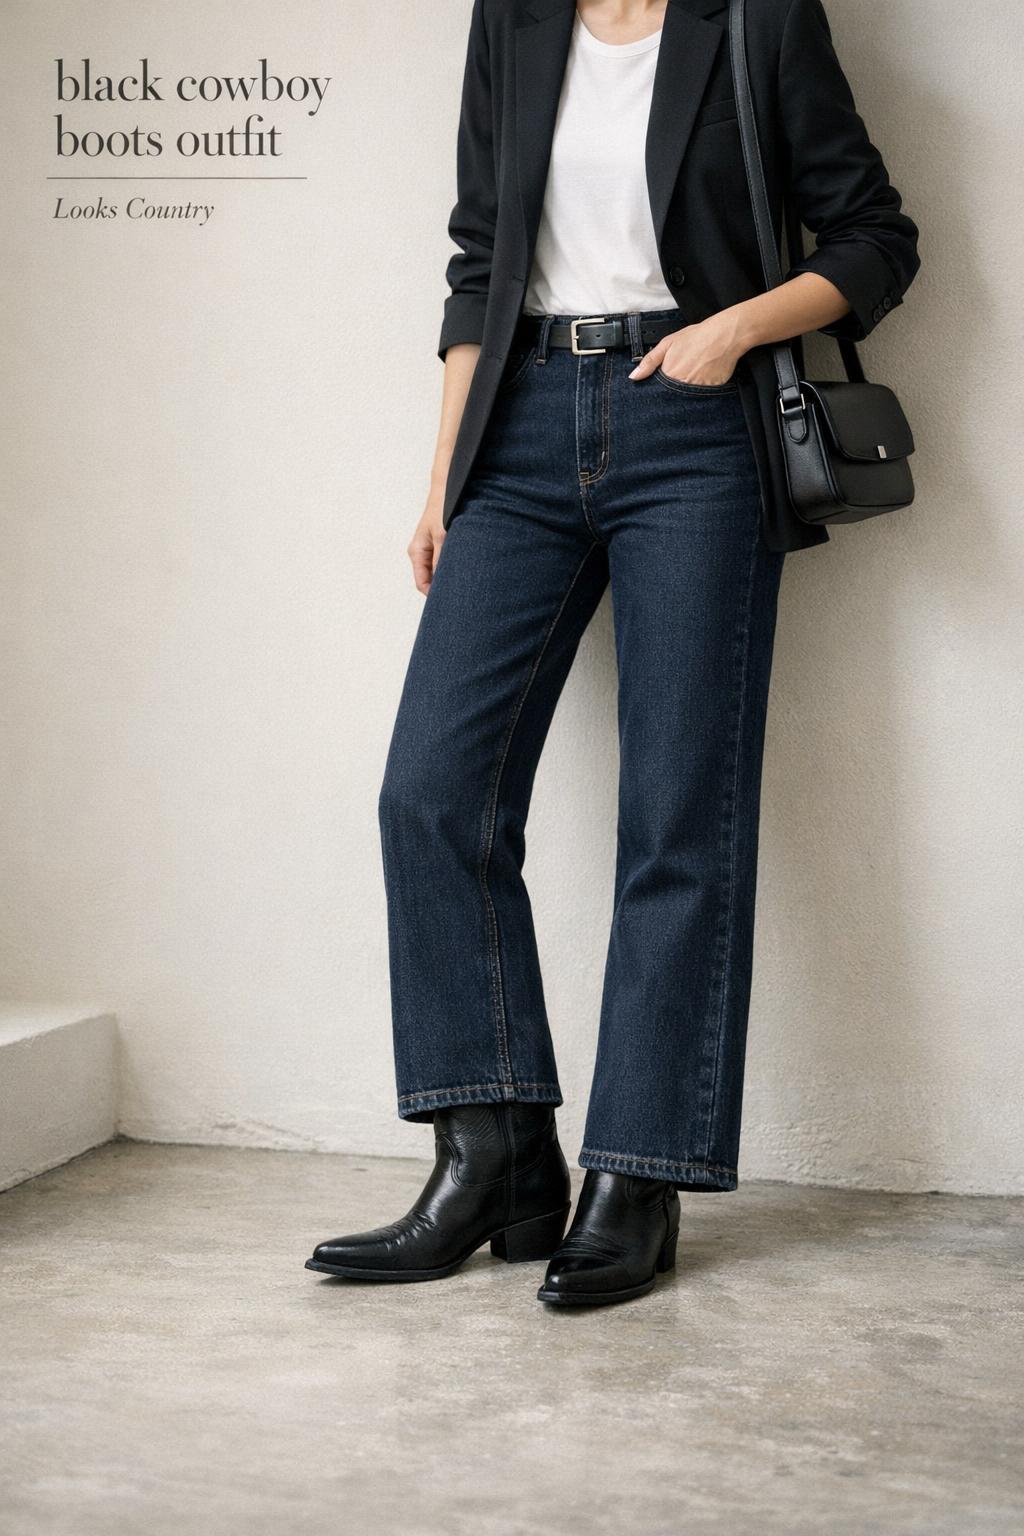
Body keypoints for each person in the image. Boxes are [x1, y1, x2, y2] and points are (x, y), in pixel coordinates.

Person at [306, 0, 920, 1306]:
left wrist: (734, 329)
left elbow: (876, 239)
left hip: (695, 432)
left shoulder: (756, 18)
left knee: (676, 817)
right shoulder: (515, 19)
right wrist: (441, 481)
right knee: (433, 795)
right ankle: (492, 1155)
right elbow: (482, 255)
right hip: (518, 427)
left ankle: (635, 1180)